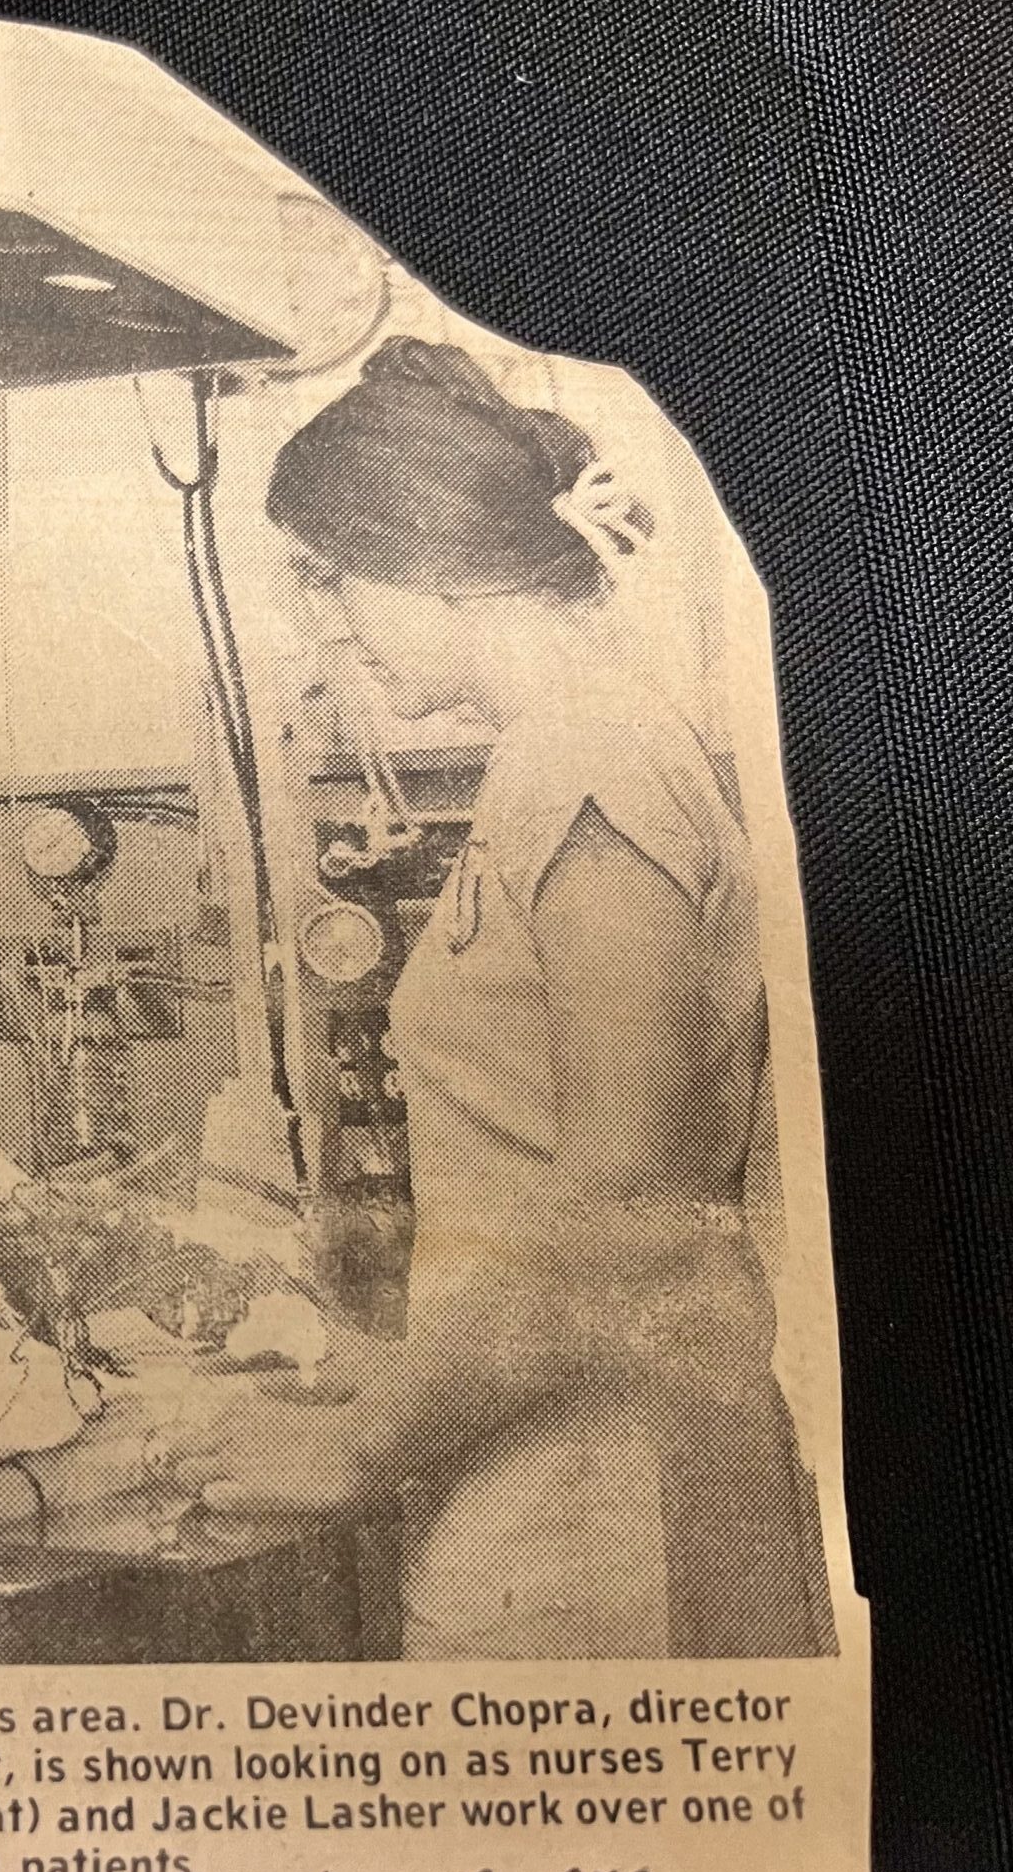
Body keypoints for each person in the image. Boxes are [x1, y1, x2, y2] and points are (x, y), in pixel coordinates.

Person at [156, 338, 829, 1659]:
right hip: (546, 1461)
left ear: (441, 567)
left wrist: (357, 1446)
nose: (328, 627)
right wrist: (397, 1374)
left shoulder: (593, 762)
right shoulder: (564, 764)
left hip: (610, 1503)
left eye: (337, 582)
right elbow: (546, 1183)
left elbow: (625, 1201)